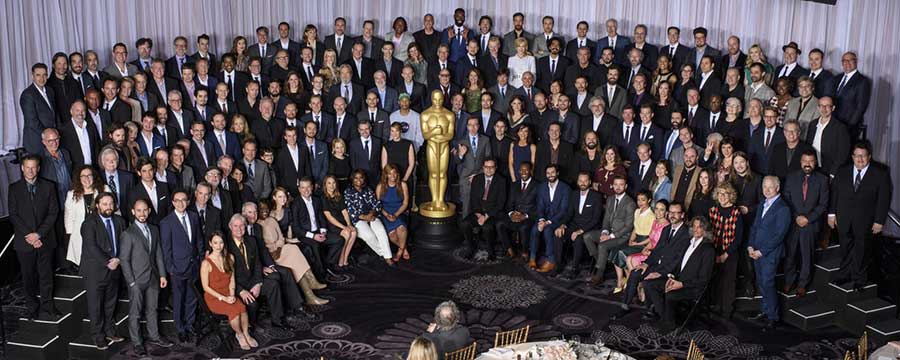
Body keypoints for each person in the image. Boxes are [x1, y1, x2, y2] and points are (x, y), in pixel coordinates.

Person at [828, 142, 892, 290]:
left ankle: (859, 279)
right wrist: (831, 214)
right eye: (857, 155)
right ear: (852, 157)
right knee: (845, 248)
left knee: (862, 251)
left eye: (863, 156)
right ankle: (844, 274)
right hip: (843, 218)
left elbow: (884, 199)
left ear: (869, 157)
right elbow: (834, 194)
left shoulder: (880, 174)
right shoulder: (842, 171)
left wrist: (879, 221)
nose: (860, 159)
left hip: (865, 220)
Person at [612, 201, 688, 320]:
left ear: (682, 215)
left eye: (676, 213)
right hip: (656, 265)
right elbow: (657, 250)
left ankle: (652, 309)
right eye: (671, 212)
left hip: (670, 270)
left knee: (649, 281)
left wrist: (661, 272)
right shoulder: (667, 229)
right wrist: (645, 264)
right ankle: (624, 306)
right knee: (635, 272)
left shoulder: (686, 233)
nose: (672, 215)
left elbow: (678, 259)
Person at [9, 154, 60, 320]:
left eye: (34, 167)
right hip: (24, 242)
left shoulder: (49, 186)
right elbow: (14, 215)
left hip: (45, 239)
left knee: (46, 275)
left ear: (38, 168)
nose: (31, 170)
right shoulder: (14, 188)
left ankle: (48, 306)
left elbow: (53, 212)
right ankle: (32, 307)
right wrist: (30, 236)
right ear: (22, 168)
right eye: (27, 167)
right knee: (28, 276)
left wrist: (39, 234)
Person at [120, 199, 173, 355]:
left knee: (152, 309)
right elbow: (124, 259)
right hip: (136, 280)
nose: (142, 214)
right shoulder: (128, 233)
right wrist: (131, 282)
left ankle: (154, 336)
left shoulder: (154, 229)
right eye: (139, 210)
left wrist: (162, 275)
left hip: (153, 278)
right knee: (135, 313)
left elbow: (158, 255)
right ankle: (137, 343)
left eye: (144, 210)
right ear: (133, 212)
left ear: (149, 211)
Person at [644, 216, 715, 333]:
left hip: (693, 287)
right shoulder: (689, 243)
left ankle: (668, 324)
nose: (696, 229)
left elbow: (703, 279)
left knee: (671, 294)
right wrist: (670, 276)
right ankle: (666, 318)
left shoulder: (708, 250)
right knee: (650, 284)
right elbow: (679, 264)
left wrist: (681, 284)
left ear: (705, 230)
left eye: (700, 227)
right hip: (677, 280)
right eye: (694, 226)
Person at [258, 199, 329, 305]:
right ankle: (310, 295)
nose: (265, 211)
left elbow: (281, 237)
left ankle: (311, 280)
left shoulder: (272, 220)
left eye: (266, 208)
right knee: (293, 262)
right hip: (270, 255)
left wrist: (278, 245)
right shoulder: (257, 225)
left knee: (294, 248)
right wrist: (274, 247)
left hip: (280, 249)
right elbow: (263, 246)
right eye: (262, 209)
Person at [80, 192, 126, 349]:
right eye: (105, 204)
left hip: (114, 269)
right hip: (95, 271)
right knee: (95, 306)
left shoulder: (119, 221)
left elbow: (124, 243)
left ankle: (109, 330)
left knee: (110, 304)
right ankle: (98, 336)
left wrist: (119, 259)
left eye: (111, 203)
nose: (109, 207)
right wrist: (108, 262)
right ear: (97, 205)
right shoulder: (89, 223)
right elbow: (91, 247)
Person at [160, 189, 204, 344]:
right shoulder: (166, 222)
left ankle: (190, 324)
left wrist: (200, 259)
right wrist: (171, 269)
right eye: (177, 200)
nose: (181, 203)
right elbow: (166, 249)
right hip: (177, 269)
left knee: (192, 298)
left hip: (194, 266)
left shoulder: (193, 216)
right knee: (179, 300)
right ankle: (180, 329)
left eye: (184, 200)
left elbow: (198, 239)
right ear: (173, 203)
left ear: (188, 201)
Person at [782, 150, 828, 296]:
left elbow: (823, 204)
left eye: (811, 161)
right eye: (805, 161)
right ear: (800, 162)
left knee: (806, 255)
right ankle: (789, 281)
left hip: (810, 223)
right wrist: (796, 217)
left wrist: (808, 218)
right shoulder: (791, 177)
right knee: (790, 254)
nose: (807, 164)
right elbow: (786, 198)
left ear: (815, 162)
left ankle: (802, 283)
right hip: (793, 222)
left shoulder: (822, 180)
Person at [747, 176, 791, 331]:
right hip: (756, 251)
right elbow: (754, 227)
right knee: (761, 282)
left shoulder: (783, 208)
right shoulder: (762, 204)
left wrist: (761, 251)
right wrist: (751, 246)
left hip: (769, 253)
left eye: (770, 187)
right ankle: (765, 311)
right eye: (764, 186)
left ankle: (773, 317)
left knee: (768, 283)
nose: (766, 190)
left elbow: (779, 236)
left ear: (777, 188)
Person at [200, 231, 256, 350]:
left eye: (221, 242)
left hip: (228, 293)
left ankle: (246, 333)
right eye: (215, 243)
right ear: (210, 244)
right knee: (233, 311)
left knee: (242, 308)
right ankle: (239, 335)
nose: (218, 246)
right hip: (214, 297)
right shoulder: (206, 263)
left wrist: (231, 294)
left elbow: (232, 280)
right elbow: (206, 288)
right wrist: (223, 298)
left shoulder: (230, 258)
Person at [584, 175, 635, 285]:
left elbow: (628, 227)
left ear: (625, 186)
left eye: (621, 185)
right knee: (587, 236)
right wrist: (604, 232)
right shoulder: (611, 199)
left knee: (602, 245)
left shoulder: (630, 203)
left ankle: (599, 275)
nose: (618, 187)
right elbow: (606, 219)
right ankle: (602, 262)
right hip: (609, 232)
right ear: (612, 186)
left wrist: (610, 236)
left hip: (622, 236)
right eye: (616, 184)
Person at [290, 178, 346, 275]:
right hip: (305, 235)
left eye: (308, 187)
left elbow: (321, 218)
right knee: (315, 244)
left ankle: (328, 264)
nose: (306, 190)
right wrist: (313, 236)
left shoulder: (316, 200)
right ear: (299, 189)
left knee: (339, 240)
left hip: (318, 231)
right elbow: (296, 228)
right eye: (303, 188)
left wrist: (323, 231)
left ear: (312, 187)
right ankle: (321, 273)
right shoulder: (296, 204)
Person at [460, 158, 507, 260]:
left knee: (487, 227)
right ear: (483, 168)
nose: (489, 169)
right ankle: (471, 248)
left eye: (491, 167)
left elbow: (500, 203)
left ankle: (491, 252)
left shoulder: (501, 181)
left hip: (493, 213)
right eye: (486, 167)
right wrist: (478, 214)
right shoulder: (477, 179)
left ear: (496, 168)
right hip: (479, 211)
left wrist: (486, 216)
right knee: (464, 224)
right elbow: (473, 199)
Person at [708, 182, 743, 318]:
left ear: (731, 195)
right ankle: (716, 306)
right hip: (714, 250)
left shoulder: (736, 212)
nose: (722, 196)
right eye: (720, 193)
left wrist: (726, 254)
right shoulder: (713, 211)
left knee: (729, 281)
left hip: (731, 252)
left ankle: (727, 310)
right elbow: (708, 233)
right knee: (716, 279)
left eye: (725, 193)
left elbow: (738, 237)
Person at [558, 172, 603, 278]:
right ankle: (558, 265)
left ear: (590, 182)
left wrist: (580, 231)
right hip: (574, 226)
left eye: (585, 181)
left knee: (578, 239)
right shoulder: (574, 194)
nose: (583, 183)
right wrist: (562, 225)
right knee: (558, 234)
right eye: (580, 181)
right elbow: (569, 213)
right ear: (577, 182)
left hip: (588, 227)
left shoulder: (596, 196)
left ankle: (574, 268)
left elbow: (596, 219)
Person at [345, 170, 394, 264]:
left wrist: (372, 213)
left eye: (361, 177)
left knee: (381, 231)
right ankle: (384, 254)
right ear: (352, 179)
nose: (358, 180)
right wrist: (364, 217)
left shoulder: (368, 189)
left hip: (372, 216)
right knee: (369, 236)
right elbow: (350, 210)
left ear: (364, 179)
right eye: (356, 178)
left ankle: (388, 259)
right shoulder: (348, 192)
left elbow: (377, 204)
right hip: (358, 219)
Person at [65, 166, 109, 268]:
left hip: (102, 230)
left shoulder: (104, 189)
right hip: (80, 232)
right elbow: (68, 216)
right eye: (83, 176)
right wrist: (70, 234)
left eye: (89, 175)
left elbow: (113, 209)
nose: (87, 178)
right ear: (79, 178)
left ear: (94, 177)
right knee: (83, 262)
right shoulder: (71, 194)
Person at [611, 190, 655, 292]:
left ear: (649, 200)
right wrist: (631, 240)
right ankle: (620, 280)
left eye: (643, 200)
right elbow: (635, 229)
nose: (640, 202)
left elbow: (651, 237)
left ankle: (629, 281)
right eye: (638, 200)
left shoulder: (651, 216)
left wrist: (638, 243)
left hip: (645, 243)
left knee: (622, 252)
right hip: (636, 240)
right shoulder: (637, 211)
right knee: (615, 250)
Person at [455, 117, 492, 217]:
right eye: (470, 125)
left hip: (481, 174)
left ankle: (479, 224)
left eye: (475, 125)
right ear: (467, 127)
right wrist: (460, 155)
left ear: (478, 126)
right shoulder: (461, 141)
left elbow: (488, 159)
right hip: (466, 177)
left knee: (480, 201)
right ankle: (465, 224)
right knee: (466, 202)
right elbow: (457, 161)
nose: (473, 127)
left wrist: (478, 174)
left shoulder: (485, 140)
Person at [832, 52, 870, 140]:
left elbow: (860, 107)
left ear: (856, 62)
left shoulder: (862, 81)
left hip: (849, 126)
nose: (847, 63)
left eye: (850, 60)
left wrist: (849, 126)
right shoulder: (837, 78)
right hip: (833, 123)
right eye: (844, 61)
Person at [21, 63, 58, 155]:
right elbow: (32, 121)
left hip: (51, 139)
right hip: (36, 140)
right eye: (38, 75)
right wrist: (48, 136)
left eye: (44, 75)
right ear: (32, 76)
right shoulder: (27, 94)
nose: (42, 78)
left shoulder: (50, 91)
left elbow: (53, 114)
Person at [322, 175, 358, 268]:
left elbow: (344, 212)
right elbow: (329, 217)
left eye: (333, 183)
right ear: (325, 185)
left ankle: (345, 258)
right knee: (347, 233)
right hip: (332, 225)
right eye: (329, 183)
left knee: (353, 232)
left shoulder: (339, 196)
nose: (331, 185)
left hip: (342, 223)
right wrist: (344, 227)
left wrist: (349, 224)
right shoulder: (323, 198)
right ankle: (340, 260)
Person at [377, 164, 411, 262]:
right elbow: (377, 205)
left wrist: (396, 214)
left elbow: (405, 203)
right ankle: (404, 248)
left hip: (400, 211)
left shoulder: (403, 184)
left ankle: (400, 251)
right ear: (386, 175)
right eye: (390, 174)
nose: (393, 176)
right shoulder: (380, 187)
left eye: (395, 173)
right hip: (385, 213)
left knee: (401, 229)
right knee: (392, 235)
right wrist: (386, 214)